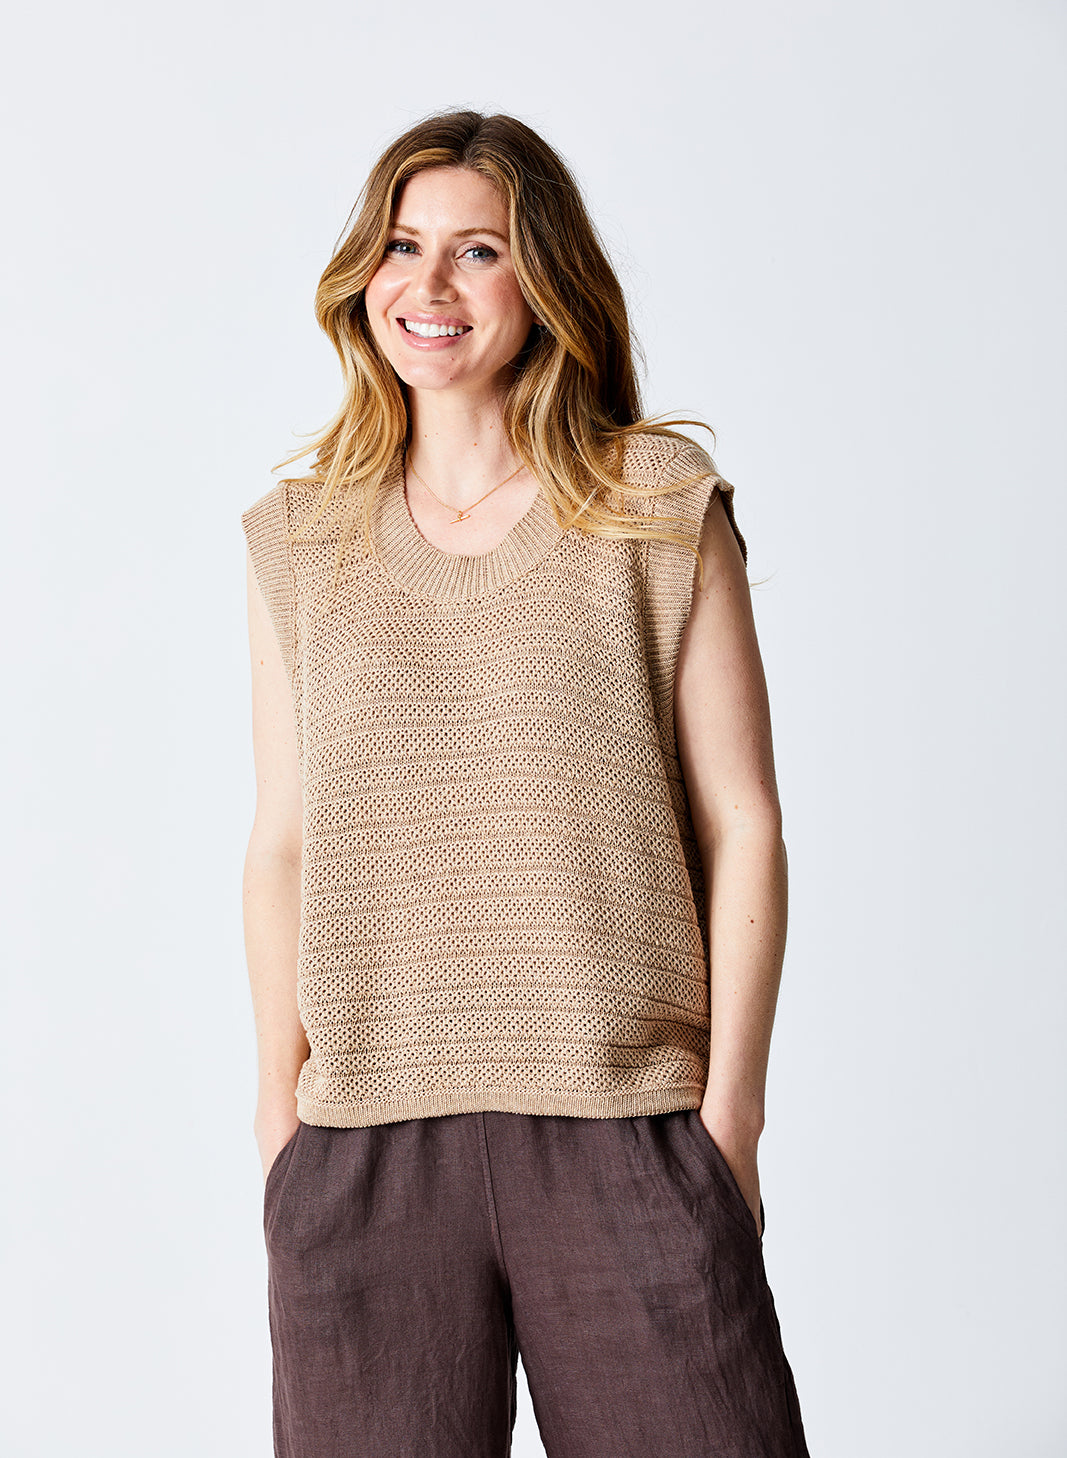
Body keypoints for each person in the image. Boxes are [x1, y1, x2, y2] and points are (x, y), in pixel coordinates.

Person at [240, 108, 810, 1458]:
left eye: (478, 249)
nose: (428, 284)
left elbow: (744, 822)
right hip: (365, 1141)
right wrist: (280, 1118)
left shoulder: (653, 504)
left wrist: (730, 1119)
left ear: (543, 278)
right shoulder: (298, 538)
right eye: (401, 245)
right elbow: (283, 843)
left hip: (626, 1123)